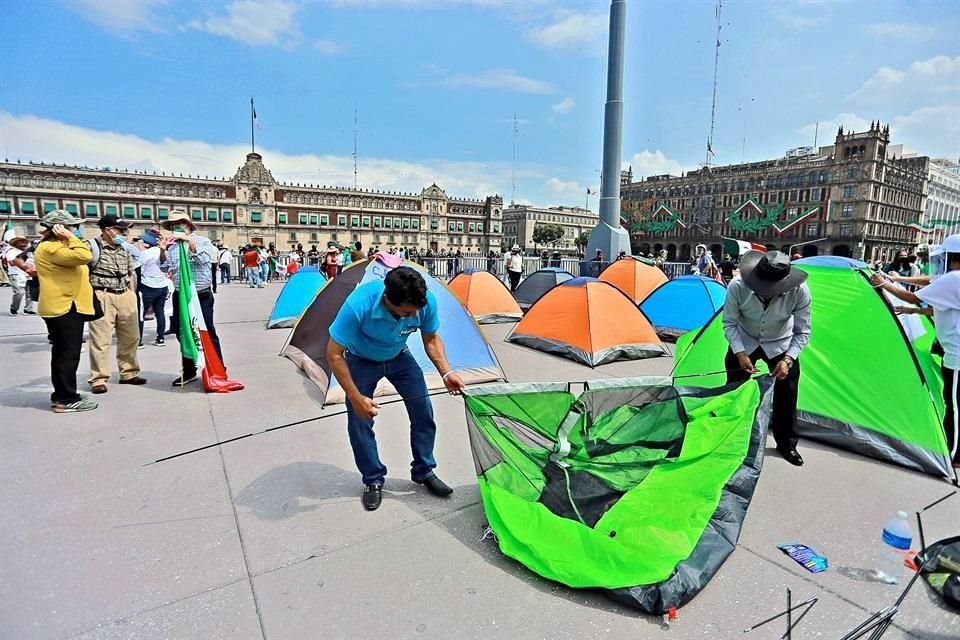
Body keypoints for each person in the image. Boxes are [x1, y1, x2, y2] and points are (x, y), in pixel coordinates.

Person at [326, 266, 466, 510]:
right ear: (388, 300)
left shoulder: (425, 303)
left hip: (400, 358)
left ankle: (424, 471)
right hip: (361, 361)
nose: (413, 317)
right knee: (360, 421)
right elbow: (334, 354)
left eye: (416, 312)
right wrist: (355, 396)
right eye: (407, 313)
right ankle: (372, 479)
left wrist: (447, 372)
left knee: (423, 412)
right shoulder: (359, 305)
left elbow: (431, 339)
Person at [873, 234, 960, 470]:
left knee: (954, 405)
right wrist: (910, 305)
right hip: (954, 352)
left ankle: (955, 455)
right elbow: (933, 290)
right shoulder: (951, 279)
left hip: (957, 356)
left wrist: (884, 284)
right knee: (954, 401)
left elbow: (915, 294)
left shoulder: (955, 278)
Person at [722, 251, 811, 466]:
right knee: (735, 390)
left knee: (787, 394)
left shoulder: (800, 291)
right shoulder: (736, 286)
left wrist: (788, 360)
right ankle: (729, 438)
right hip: (745, 340)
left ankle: (786, 444)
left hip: (781, 343)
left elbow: (803, 332)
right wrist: (740, 353)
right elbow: (730, 323)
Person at [34, 211, 98, 413]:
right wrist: (71, 238)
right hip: (63, 307)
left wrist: (69, 240)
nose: (75, 230)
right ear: (59, 229)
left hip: (69, 305)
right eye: (71, 227)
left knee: (65, 353)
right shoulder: (51, 248)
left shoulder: (58, 247)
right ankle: (65, 398)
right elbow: (84, 255)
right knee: (67, 355)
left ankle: (64, 394)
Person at [85, 214, 146, 394]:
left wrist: (131, 294)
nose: (124, 233)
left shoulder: (124, 249)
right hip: (102, 294)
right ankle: (98, 378)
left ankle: (128, 372)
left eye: (125, 229)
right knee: (101, 339)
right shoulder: (91, 247)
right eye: (120, 229)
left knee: (131, 336)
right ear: (107, 230)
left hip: (124, 294)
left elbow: (129, 273)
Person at [160, 210, 221, 386]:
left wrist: (190, 243)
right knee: (183, 332)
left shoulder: (203, 241)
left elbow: (204, 260)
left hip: (200, 294)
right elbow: (165, 268)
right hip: (181, 295)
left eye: (179, 223)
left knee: (207, 331)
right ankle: (189, 370)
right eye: (172, 225)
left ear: (188, 225)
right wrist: (163, 251)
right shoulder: (172, 247)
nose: (175, 227)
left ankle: (217, 369)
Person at [138, 231, 169, 347]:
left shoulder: (146, 253)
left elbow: (138, 267)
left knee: (141, 313)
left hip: (148, 286)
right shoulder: (164, 251)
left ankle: (139, 341)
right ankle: (160, 338)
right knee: (160, 312)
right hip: (162, 285)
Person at [4, 236, 35, 315]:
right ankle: (14, 308)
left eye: (25, 242)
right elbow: (11, 262)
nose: (24, 244)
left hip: (28, 274)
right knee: (19, 293)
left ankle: (28, 309)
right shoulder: (12, 251)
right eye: (21, 242)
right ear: (16, 243)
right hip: (16, 274)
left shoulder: (27, 252)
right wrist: (21, 258)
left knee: (30, 293)